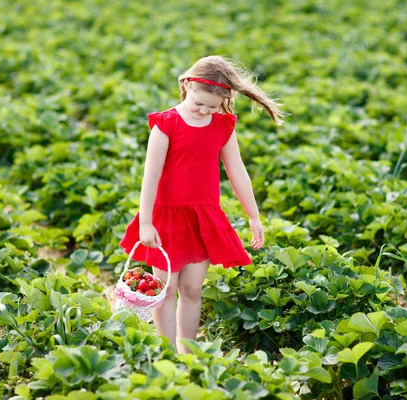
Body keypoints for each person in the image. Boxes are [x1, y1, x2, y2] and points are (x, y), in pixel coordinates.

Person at [119, 55, 284, 353]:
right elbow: (151, 176)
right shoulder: (166, 124)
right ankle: (167, 352)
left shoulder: (222, 127)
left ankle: (188, 352)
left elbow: (238, 173)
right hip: (166, 217)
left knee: (193, 289)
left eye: (212, 106)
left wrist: (254, 216)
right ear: (187, 84)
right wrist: (145, 222)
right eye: (199, 104)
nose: (204, 111)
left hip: (202, 217)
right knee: (166, 288)